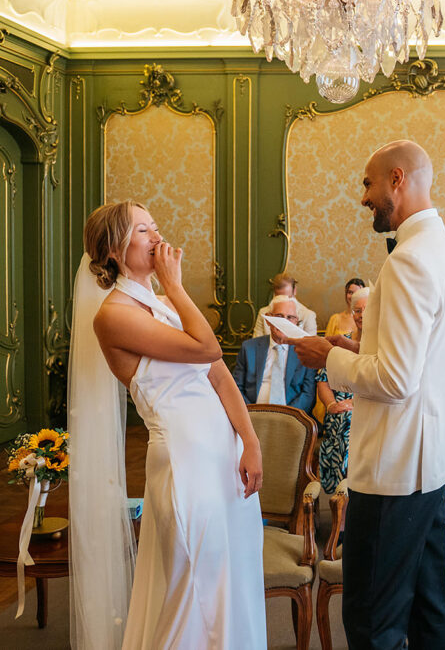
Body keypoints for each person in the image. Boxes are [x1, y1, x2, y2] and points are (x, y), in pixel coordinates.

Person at [289, 140, 445, 648]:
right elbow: (423, 352)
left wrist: (328, 359)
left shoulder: (409, 260)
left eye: (368, 184)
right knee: (427, 605)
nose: (363, 198)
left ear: (397, 179)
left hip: (396, 468)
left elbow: (395, 380)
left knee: (373, 620)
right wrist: (350, 344)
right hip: (429, 457)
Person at [69, 201, 266, 649]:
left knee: (233, 577)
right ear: (116, 250)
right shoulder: (113, 315)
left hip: (224, 455)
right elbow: (208, 349)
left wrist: (249, 441)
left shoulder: (162, 303)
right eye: (143, 230)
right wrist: (176, 286)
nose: (158, 238)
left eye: (156, 226)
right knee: (193, 584)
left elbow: (220, 377)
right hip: (183, 460)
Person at [315, 286, 368, 493]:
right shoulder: (340, 342)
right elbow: (323, 380)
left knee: (351, 424)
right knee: (341, 420)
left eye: (366, 309)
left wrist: (353, 404)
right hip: (338, 408)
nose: (361, 315)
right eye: (357, 310)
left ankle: (352, 501)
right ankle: (342, 510)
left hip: (367, 409)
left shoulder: (382, 345)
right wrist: (331, 404)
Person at [233, 296, 317, 414]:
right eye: (279, 316)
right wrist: (249, 413)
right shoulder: (249, 348)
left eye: (290, 317)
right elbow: (236, 388)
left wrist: (289, 416)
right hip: (252, 414)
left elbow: (308, 394)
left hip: (292, 417)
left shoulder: (307, 351)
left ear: (296, 322)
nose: (284, 322)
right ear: (268, 319)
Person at [252, 272, 318, 337]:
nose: (283, 301)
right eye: (279, 298)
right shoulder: (263, 312)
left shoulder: (308, 315)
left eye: (287, 297)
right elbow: (256, 342)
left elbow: (311, 345)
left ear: (294, 291)